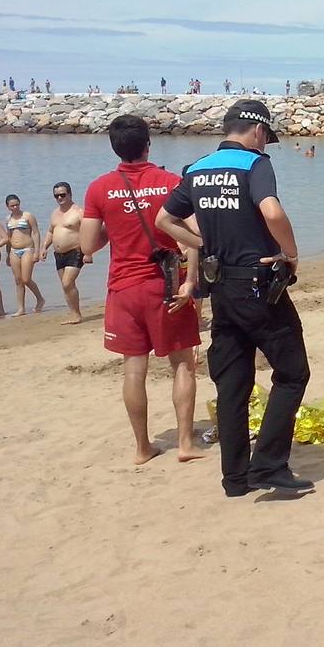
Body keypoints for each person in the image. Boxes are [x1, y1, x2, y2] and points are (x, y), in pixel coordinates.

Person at [156, 100, 313, 495]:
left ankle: (235, 477)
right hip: (258, 287)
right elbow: (272, 212)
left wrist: (204, 242)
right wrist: (290, 255)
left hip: (220, 287)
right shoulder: (255, 164)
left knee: (233, 383)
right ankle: (269, 465)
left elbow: (164, 220)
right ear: (258, 132)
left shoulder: (197, 168)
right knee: (293, 373)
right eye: (266, 139)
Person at [81, 115, 205, 466]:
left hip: (123, 289)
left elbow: (88, 245)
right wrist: (191, 283)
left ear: (114, 147)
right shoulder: (170, 182)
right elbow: (195, 238)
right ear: (148, 144)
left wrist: (115, 226)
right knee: (182, 364)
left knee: (134, 370)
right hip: (165, 285)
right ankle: (184, 443)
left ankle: (141, 447)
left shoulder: (99, 188)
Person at [39, 182, 91, 324]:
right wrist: (44, 247)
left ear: (70, 194)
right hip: (59, 254)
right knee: (65, 285)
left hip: (75, 251)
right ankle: (74, 314)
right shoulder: (55, 213)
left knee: (67, 283)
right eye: (56, 196)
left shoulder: (78, 211)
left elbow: (89, 231)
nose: (59, 198)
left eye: (62, 195)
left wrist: (88, 252)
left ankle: (77, 314)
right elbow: (51, 231)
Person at [3, 194, 46, 317]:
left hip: (28, 249)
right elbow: (9, 237)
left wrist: (37, 251)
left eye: (17, 204)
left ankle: (40, 299)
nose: (15, 207)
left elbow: (36, 233)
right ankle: (21, 308)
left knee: (26, 279)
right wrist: (7, 254)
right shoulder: (8, 219)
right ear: (7, 206)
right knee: (18, 280)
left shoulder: (27, 216)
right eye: (12, 205)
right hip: (14, 251)